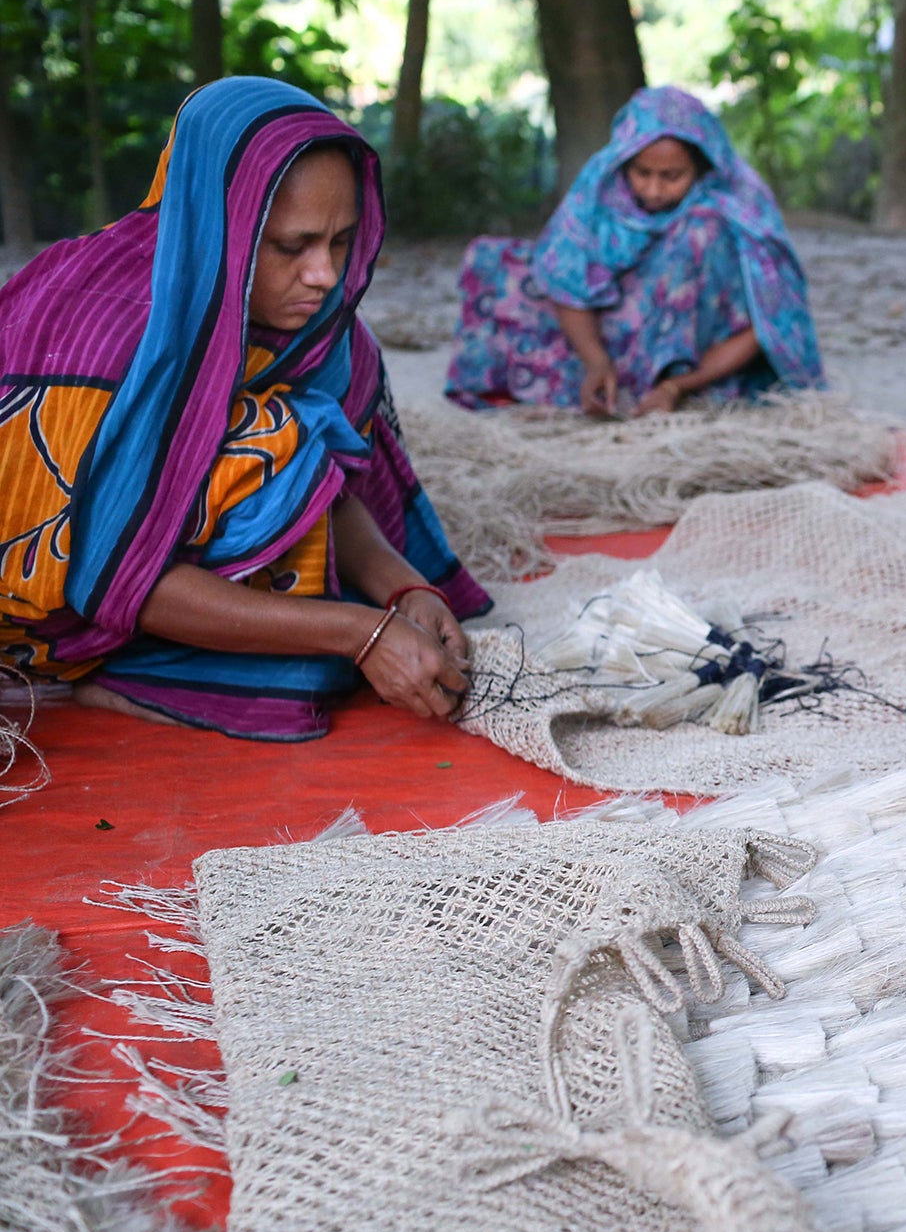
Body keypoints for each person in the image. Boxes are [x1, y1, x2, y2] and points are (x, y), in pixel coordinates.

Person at [0, 77, 489, 741]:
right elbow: (106, 575)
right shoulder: (107, 329)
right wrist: (360, 630)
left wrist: (406, 591)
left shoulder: (320, 328)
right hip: (47, 608)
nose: (322, 274)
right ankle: (115, 666)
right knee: (323, 642)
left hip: (159, 575)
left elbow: (325, 472)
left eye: (341, 241)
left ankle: (193, 653)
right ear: (217, 223)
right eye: (292, 245)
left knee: (321, 656)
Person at [446, 85, 823, 415]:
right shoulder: (601, 187)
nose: (654, 190)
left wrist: (677, 387)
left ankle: (657, 384)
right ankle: (603, 379)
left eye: (672, 177)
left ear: (702, 167)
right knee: (492, 260)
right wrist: (595, 361)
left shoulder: (732, 212)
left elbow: (770, 319)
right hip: (612, 323)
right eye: (642, 174)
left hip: (690, 346)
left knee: (702, 230)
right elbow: (565, 276)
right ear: (624, 161)